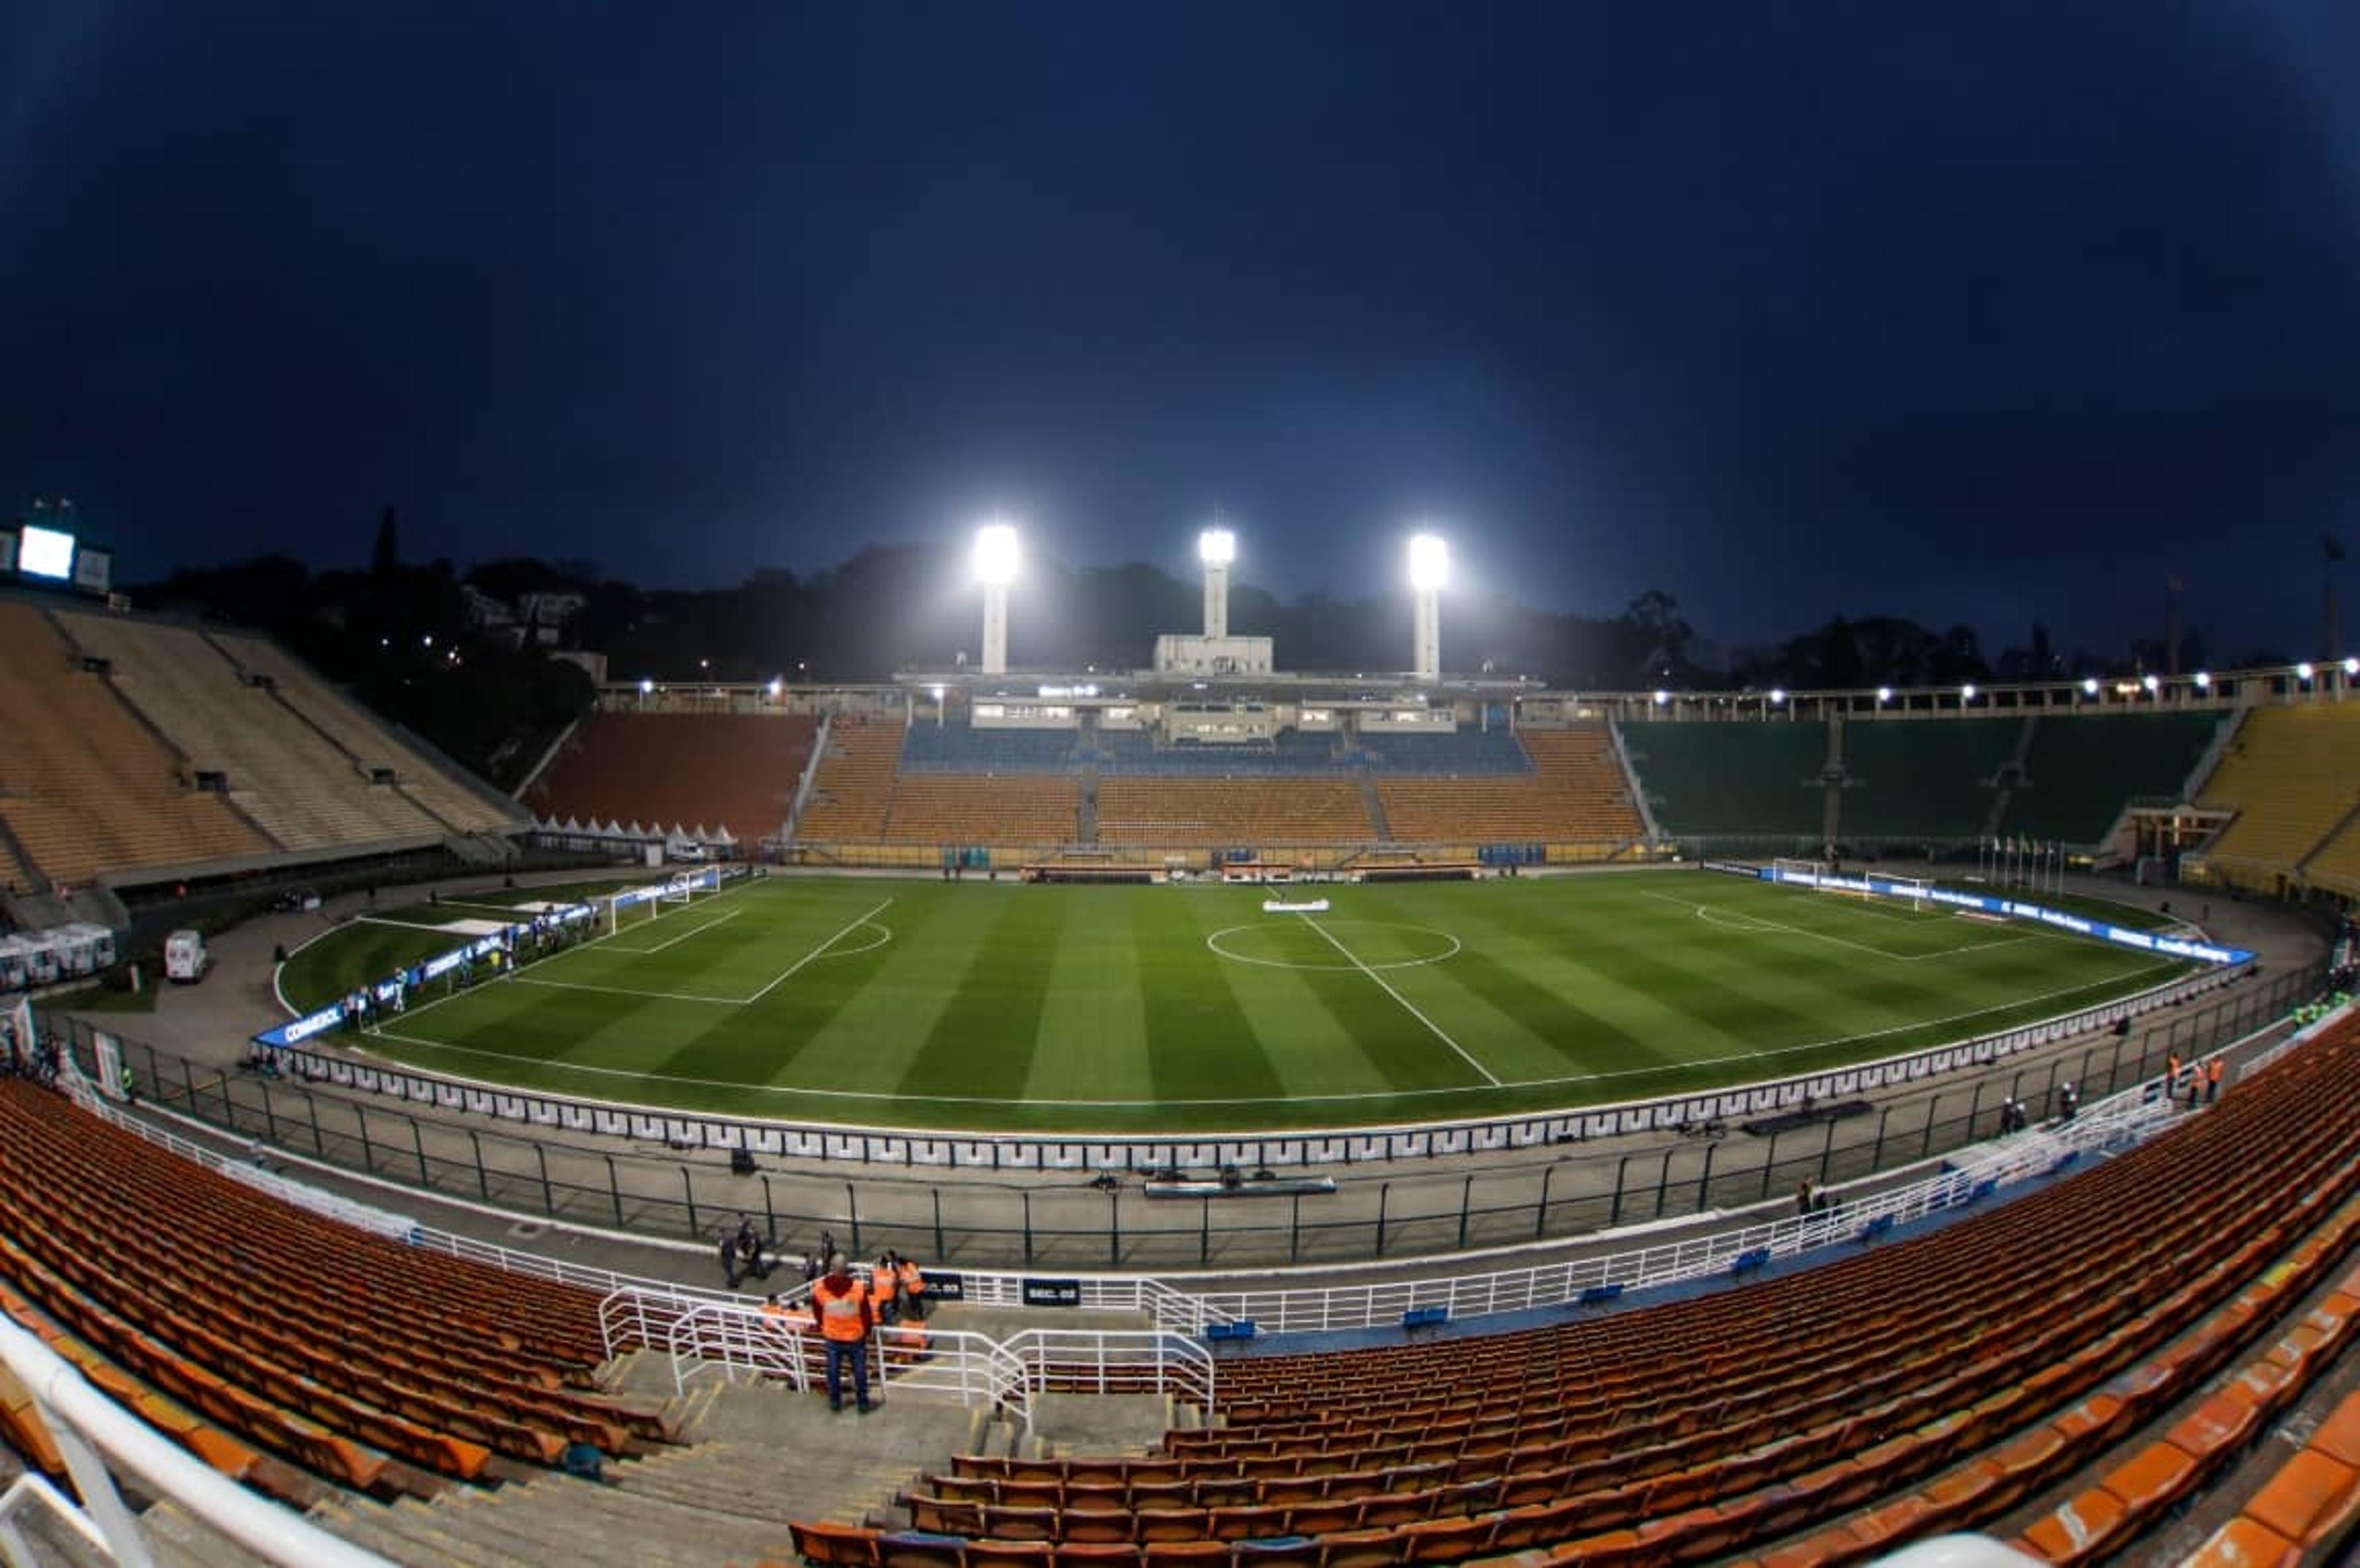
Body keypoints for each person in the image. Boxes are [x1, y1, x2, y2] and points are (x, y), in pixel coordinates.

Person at [808, 1253, 877, 1413]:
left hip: (832, 1336)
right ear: (846, 1269)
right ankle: (863, 1402)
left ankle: (835, 1401)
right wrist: (868, 1331)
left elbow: (817, 1311)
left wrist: (822, 1325)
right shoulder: (858, 1288)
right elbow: (866, 1314)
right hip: (855, 1336)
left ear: (832, 1268)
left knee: (833, 1370)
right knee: (859, 1370)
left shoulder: (820, 1288)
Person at [895, 1252, 927, 1322]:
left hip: (917, 1288)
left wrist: (908, 1281)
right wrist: (902, 1281)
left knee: (916, 1302)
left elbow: (917, 1276)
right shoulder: (901, 1268)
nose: (896, 1265)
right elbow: (902, 1277)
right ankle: (915, 1316)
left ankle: (920, 1316)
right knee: (912, 1302)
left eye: (897, 1263)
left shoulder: (910, 1265)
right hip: (909, 1289)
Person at [870, 1253, 900, 1325]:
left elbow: (871, 1286)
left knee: (878, 1316)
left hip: (878, 1299)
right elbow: (896, 1285)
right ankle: (888, 1327)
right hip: (888, 1299)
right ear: (887, 1265)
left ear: (880, 1264)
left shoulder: (875, 1273)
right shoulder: (892, 1274)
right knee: (888, 1317)